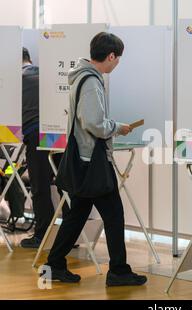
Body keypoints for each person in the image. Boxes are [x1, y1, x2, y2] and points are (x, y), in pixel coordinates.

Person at [42, 32, 147, 287]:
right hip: (92, 161)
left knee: (77, 214)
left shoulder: (81, 76)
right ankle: (119, 272)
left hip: (83, 159)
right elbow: (93, 122)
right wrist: (117, 127)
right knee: (114, 215)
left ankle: (54, 265)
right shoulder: (90, 81)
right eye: (118, 58)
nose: (117, 63)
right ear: (110, 56)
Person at [20, 48, 67, 248]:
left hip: (34, 132)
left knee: (40, 185)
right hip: (57, 130)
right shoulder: (47, 74)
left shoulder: (15, 79)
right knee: (64, 184)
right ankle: (69, 235)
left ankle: (43, 235)